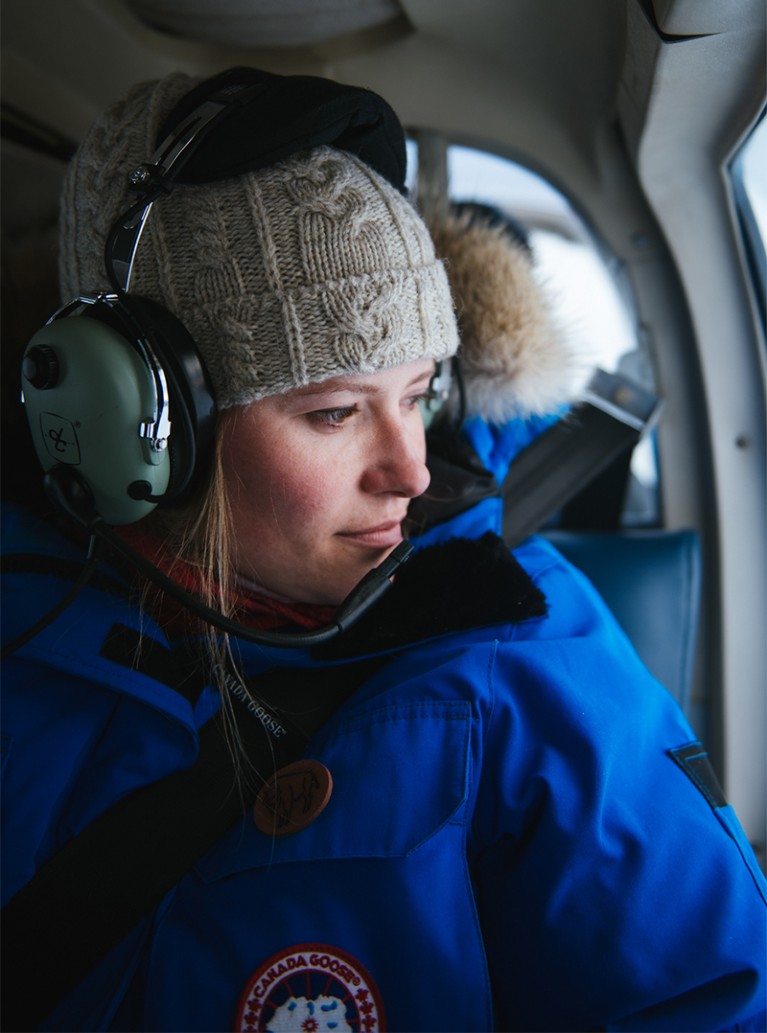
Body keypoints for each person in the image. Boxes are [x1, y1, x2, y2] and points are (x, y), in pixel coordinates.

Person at [1, 67, 765, 1033]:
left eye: (419, 395)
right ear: (132, 425)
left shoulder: (519, 647)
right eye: (332, 411)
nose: (409, 472)